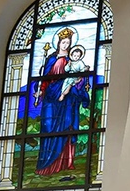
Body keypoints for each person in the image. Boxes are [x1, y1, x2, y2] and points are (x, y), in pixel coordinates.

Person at [33, 27, 90, 176]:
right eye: (63, 42)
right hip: (50, 100)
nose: (65, 45)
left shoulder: (73, 61)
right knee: (48, 127)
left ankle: (65, 163)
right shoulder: (51, 59)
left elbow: (79, 80)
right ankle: (46, 164)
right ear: (58, 43)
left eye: (68, 43)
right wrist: (40, 90)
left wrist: (80, 81)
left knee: (66, 127)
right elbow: (43, 79)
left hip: (67, 101)